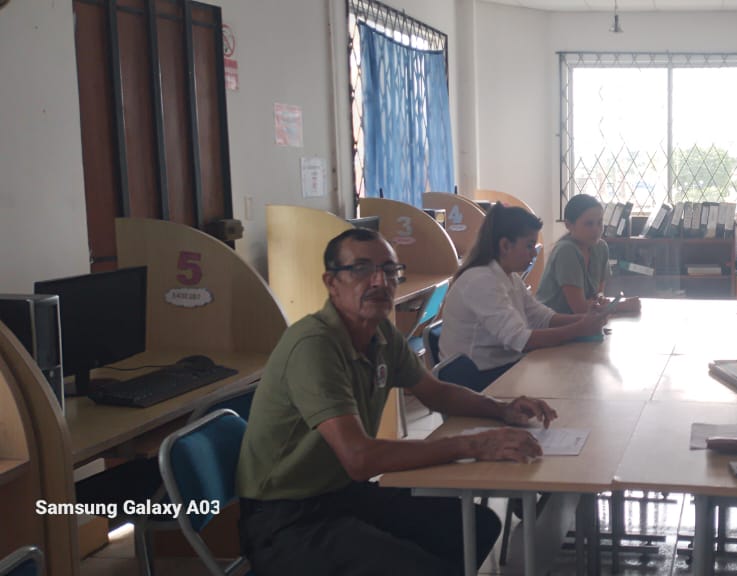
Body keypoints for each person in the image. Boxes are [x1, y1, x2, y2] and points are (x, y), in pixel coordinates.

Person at [237, 228, 560, 576]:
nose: (380, 281)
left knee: (476, 527)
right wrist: (474, 445)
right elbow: (359, 458)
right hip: (286, 518)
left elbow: (435, 393)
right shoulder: (314, 346)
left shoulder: (380, 334)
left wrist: (501, 409)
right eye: (361, 269)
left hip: (344, 495)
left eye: (390, 270)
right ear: (331, 282)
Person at [437, 203, 609, 391]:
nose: (534, 253)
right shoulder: (480, 280)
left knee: (570, 375)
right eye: (529, 245)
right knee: (564, 381)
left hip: (501, 367)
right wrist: (580, 328)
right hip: (477, 380)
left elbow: (542, 317)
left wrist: (585, 319)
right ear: (505, 245)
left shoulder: (509, 277)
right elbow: (521, 340)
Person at [536, 194, 640, 314]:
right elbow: (580, 309)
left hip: (579, 321)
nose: (596, 229)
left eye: (599, 222)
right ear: (568, 225)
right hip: (552, 321)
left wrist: (600, 299)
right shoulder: (566, 251)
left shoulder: (601, 248)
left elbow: (598, 293)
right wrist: (622, 306)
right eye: (589, 224)